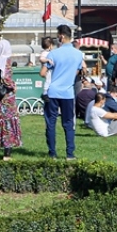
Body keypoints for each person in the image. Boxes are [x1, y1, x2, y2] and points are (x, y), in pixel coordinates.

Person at [44, 24, 83, 159]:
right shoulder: (78, 54)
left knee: (51, 122)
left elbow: (44, 71)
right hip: (68, 92)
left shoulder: (53, 53)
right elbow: (76, 71)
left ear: (61, 36)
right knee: (68, 123)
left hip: (53, 91)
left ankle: (52, 152)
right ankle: (70, 153)